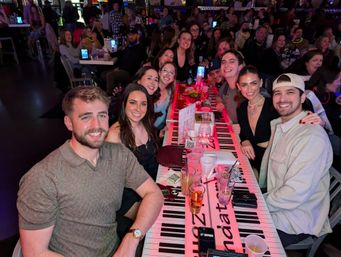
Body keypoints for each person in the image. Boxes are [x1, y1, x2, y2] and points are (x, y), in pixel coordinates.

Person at [17, 86, 163, 257]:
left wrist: (132, 239)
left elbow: (154, 194)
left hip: (118, 248)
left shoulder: (119, 154)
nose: (97, 125)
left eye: (102, 115)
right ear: (68, 123)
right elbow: (35, 253)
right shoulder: (41, 178)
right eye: (86, 117)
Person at [260, 73, 333, 247]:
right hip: (276, 202)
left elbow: (294, 194)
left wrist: (257, 203)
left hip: (294, 220)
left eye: (290, 92)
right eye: (277, 93)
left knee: (234, 239)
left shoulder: (311, 137)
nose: (282, 98)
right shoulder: (283, 125)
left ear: (302, 97)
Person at [106, 83, 159, 180]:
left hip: (156, 180)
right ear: (124, 104)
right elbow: (112, 177)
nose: (138, 109)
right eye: (133, 102)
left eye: (143, 104)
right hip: (135, 191)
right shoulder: (115, 135)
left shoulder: (145, 123)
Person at [216, 49, 245, 124]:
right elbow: (218, 96)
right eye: (223, 62)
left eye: (232, 61)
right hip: (229, 128)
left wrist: (242, 128)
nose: (226, 65)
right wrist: (220, 103)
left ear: (240, 67)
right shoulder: (226, 85)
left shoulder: (246, 90)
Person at [154, 62, 176, 130]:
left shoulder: (169, 91)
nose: (167, 75)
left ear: (173, 78)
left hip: (162, 126)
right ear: (159, 73)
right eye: (165, 71)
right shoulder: (152, 90)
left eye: (171, 73)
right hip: (151, 130)